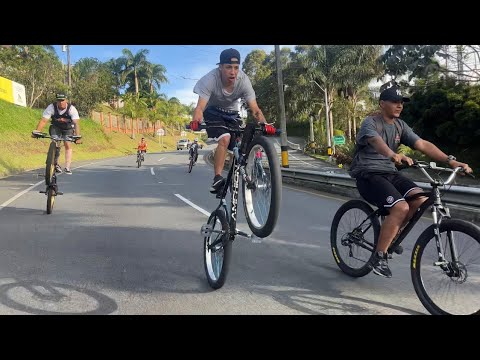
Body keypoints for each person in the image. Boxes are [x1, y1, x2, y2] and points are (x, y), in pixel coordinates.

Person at [348, 82, 473, 278]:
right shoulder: (370, 123)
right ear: (382, 104)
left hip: (390, 174)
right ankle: (378, 257)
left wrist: (452, 161)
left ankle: (392, 235)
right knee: (400, 208)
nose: (400, 105)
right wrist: (392, 155)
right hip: (368, 174)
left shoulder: (400, 125)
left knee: (420, 200)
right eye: (394, 101)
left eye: (402, 102)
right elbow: (376, 141)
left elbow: (422, 144)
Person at [190, 48, 267, 194]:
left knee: (237, 148)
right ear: (220, 67)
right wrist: (196, 120)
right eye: (228, 67)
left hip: (232, 114)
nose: (233, 72)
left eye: (236, 68)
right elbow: (200, 107)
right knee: (225, 138)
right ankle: (217, 177)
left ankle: (233, 179)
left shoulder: (243, 80)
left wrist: (265, 125)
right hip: (212, 111)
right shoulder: (210, 79)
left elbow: (255, 109)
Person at [32, 93, 82, 175]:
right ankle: (55, 163)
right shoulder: (51, 107)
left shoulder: (71, 109)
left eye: (62, 100)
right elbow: (44, 120)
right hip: (56, 127)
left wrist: (78, 137)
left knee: (67, 143)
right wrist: (37, 132)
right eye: (59, 100)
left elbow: (76, 123)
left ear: (66, 100)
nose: (61, 102)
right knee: (55, 142)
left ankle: (67, 167)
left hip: (68, 128)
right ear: (57, 101)